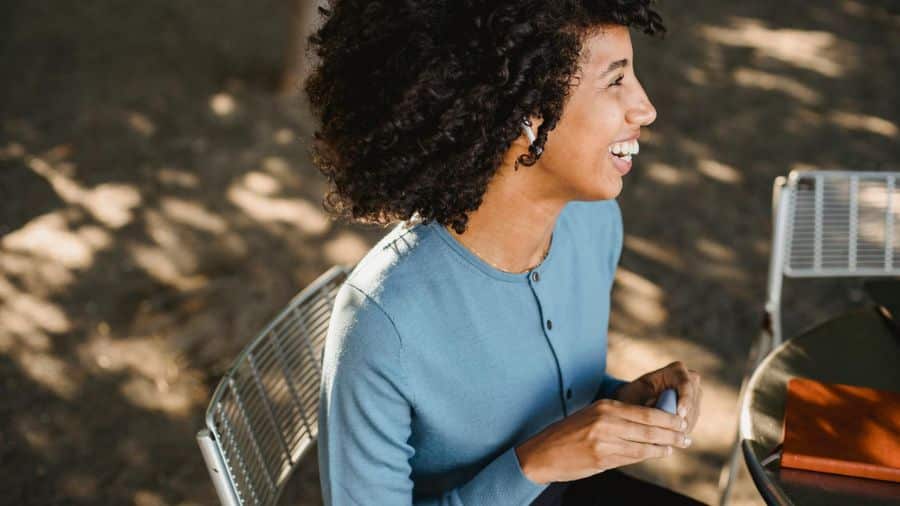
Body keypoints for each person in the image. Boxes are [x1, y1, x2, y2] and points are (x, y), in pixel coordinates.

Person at [305, 1, 705, 504]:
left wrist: (618, 399)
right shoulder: (384, 323)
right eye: (615, 82)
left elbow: (528, 389)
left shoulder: (593, 223)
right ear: (528, 117)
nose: (646, 108)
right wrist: (534, 465)